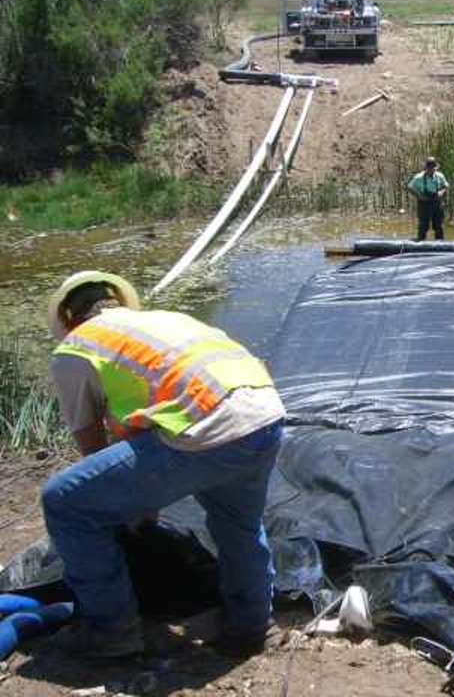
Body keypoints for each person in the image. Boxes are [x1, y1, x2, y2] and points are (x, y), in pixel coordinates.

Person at [41, 270, 286, 659]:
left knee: (64, 502)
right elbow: (144, 423)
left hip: (207, 428)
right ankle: (252, 624)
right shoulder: (164, 322)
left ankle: (111, 631)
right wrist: (142, 503)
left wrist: (126, 507)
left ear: (69, 318)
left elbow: (91, 443)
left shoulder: (76, 347)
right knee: (237, 522)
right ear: (116, 303)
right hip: (265, 416)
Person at [406, 156, 449, 241]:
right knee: (423, 225)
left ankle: (440, 244)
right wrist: (419, 196)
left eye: (433, 168)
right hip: (424, 204)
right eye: (429, 169)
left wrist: (442, 192)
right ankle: (420, 243)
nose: (431, 170)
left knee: (438, 225)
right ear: (426, 168)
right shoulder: (418, 177)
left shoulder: (440, 176)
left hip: (436, 203)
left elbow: (446, 186)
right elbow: (409, 187)